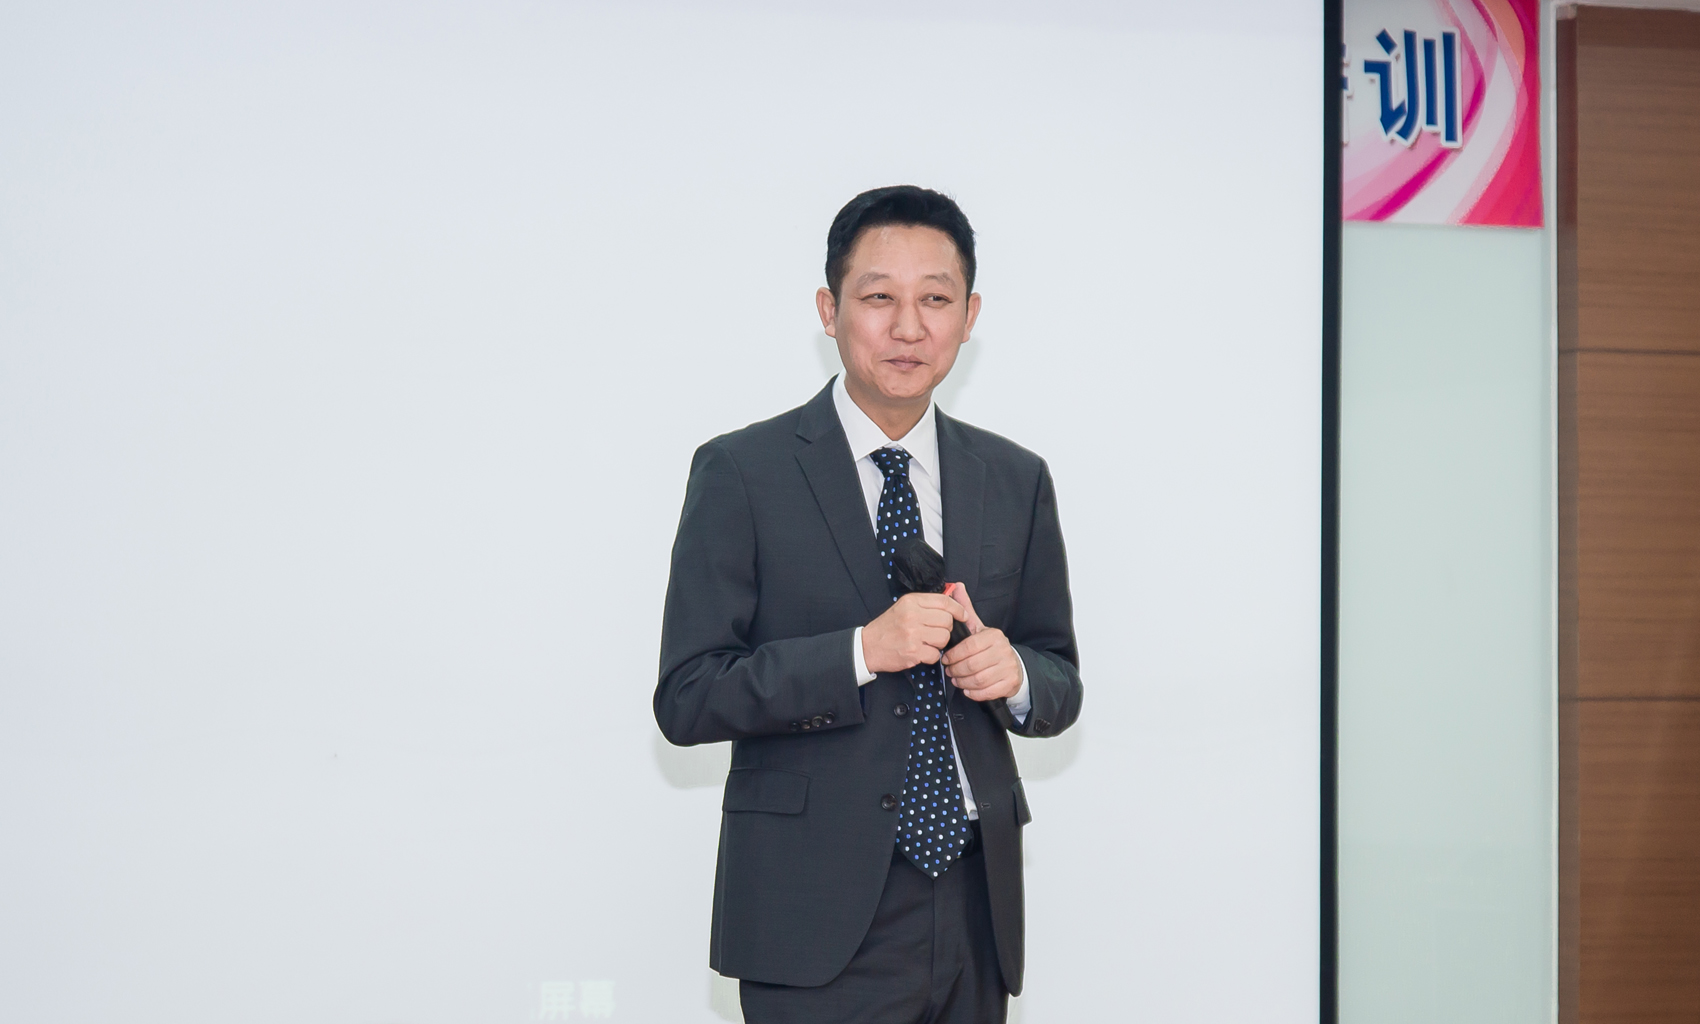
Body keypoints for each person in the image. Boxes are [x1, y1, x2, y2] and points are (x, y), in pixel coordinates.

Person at [655, 185, 1083, 1024]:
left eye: (936, 300)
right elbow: (688, 694)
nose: (908, 327)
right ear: (830, 309)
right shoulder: (743, 472)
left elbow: (1058, 678)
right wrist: (859, 652)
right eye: (880, 297)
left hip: (973, 903)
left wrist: (1017, 675)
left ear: (970, 316)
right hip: (810, 913)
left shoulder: (1014, 477)